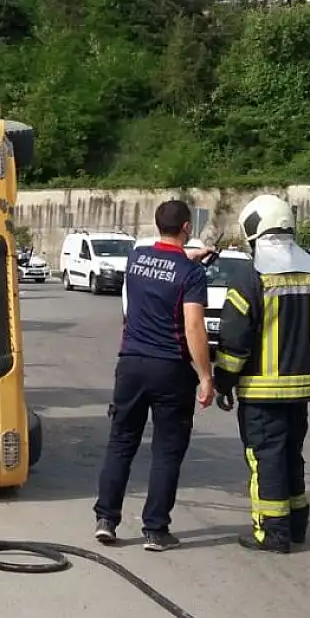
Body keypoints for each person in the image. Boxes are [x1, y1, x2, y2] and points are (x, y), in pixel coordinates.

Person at [214, 195, 310, 554]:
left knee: (265, 458)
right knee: (290, 455)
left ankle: (273, 533)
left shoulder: (250, 278)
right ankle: (297, 526)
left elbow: (234, 342)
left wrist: (224, 382)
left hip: (260, 392)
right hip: (302, 390)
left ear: (253, 230)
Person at [93, 199, 217, 552]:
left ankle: (106, 519)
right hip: (170, 369)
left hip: (131, 364)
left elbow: (164, 262)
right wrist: (205, 376)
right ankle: (155, 529)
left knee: (121, 442)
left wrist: (192, 255)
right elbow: (193, 326)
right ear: (187, 228)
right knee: (166, 450)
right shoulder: (192, 275)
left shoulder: (136, 259)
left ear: (157, 224)